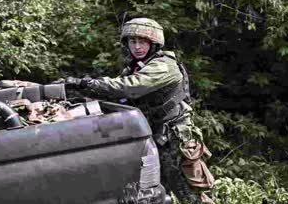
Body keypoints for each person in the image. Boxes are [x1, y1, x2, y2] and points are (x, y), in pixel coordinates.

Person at [62, 18, 215, 203]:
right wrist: (79, 90)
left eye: (142, 42)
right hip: (152, 136)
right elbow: (116, 95)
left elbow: (129, 87)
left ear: (154, 44)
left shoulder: (164, 66)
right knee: (155, 194)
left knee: (188, 194)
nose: (137, 47)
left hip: (174, 138)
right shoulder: (137, 67)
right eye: (132, 42)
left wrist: (89, 83)